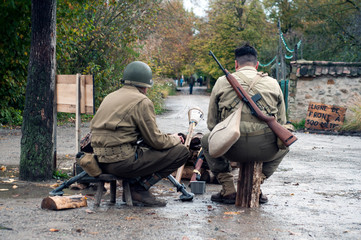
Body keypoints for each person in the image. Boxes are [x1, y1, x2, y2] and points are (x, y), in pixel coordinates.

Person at [90, 61, 190, 207]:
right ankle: (139, 189)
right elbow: (156, 141)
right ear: (144, 86)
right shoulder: (142, 101)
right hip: (121, 163)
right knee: (181, 152)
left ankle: (135, 186)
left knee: (141, 150)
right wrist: (175, 139)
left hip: (99, 161)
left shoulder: (110, 96)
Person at [201, 43, 289, 204]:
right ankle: (258, 182)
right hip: (265, 149)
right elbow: (282, 122)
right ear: (257, 65)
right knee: (287, 142)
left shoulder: (221, 82)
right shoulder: (273, 83)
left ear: (236, 64)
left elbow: (212, 124)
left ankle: (228, 189)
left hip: (231, 148)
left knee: (206, 140)